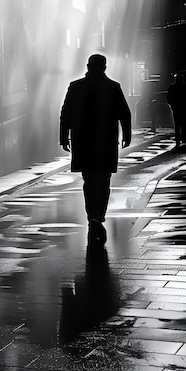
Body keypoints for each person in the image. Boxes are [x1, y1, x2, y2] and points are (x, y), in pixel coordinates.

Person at [59, 54, 132, 244]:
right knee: (103, 182)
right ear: (105, 68)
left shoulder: (76, 87)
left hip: (83, 143)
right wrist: (127, 134)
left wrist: (63, 137)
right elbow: (125, 113)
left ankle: (92, 216)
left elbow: (65, 113)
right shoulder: (112, 87)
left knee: (88, 181)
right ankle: (98, 217)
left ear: (88, 66)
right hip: (105, 143)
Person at [166, 72, 186, 147]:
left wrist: (171, 105)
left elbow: (168, 97)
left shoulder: (172, 87)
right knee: (183, 123)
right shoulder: (185, 86)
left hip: (176, 107)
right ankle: (183, 138)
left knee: (177, 124)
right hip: (183, 107)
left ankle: (178, 139)